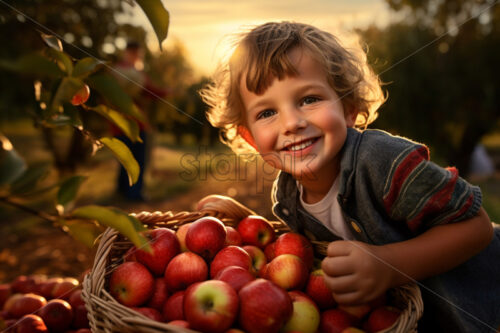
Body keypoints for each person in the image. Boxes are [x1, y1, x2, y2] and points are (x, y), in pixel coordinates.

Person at [199, 22, 500, 332]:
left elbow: (476, 227)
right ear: (250, 139)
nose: (291, 123)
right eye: (266, 113)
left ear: (348, 107)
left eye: (309, 99)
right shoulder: (288, 195)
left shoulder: (383, 162)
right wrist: (242, 226)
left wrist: (389, 266)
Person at [111, 41, 168, 200]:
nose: (137, 56)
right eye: (136, 53)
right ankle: (134, 193)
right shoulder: (133, 74)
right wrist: (166, 92)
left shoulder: (116, 72)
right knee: (136, 160)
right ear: (129, 53)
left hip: (120, 124)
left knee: (125, 159)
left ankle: (122, 190)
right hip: (133, 125)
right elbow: (151, 91)